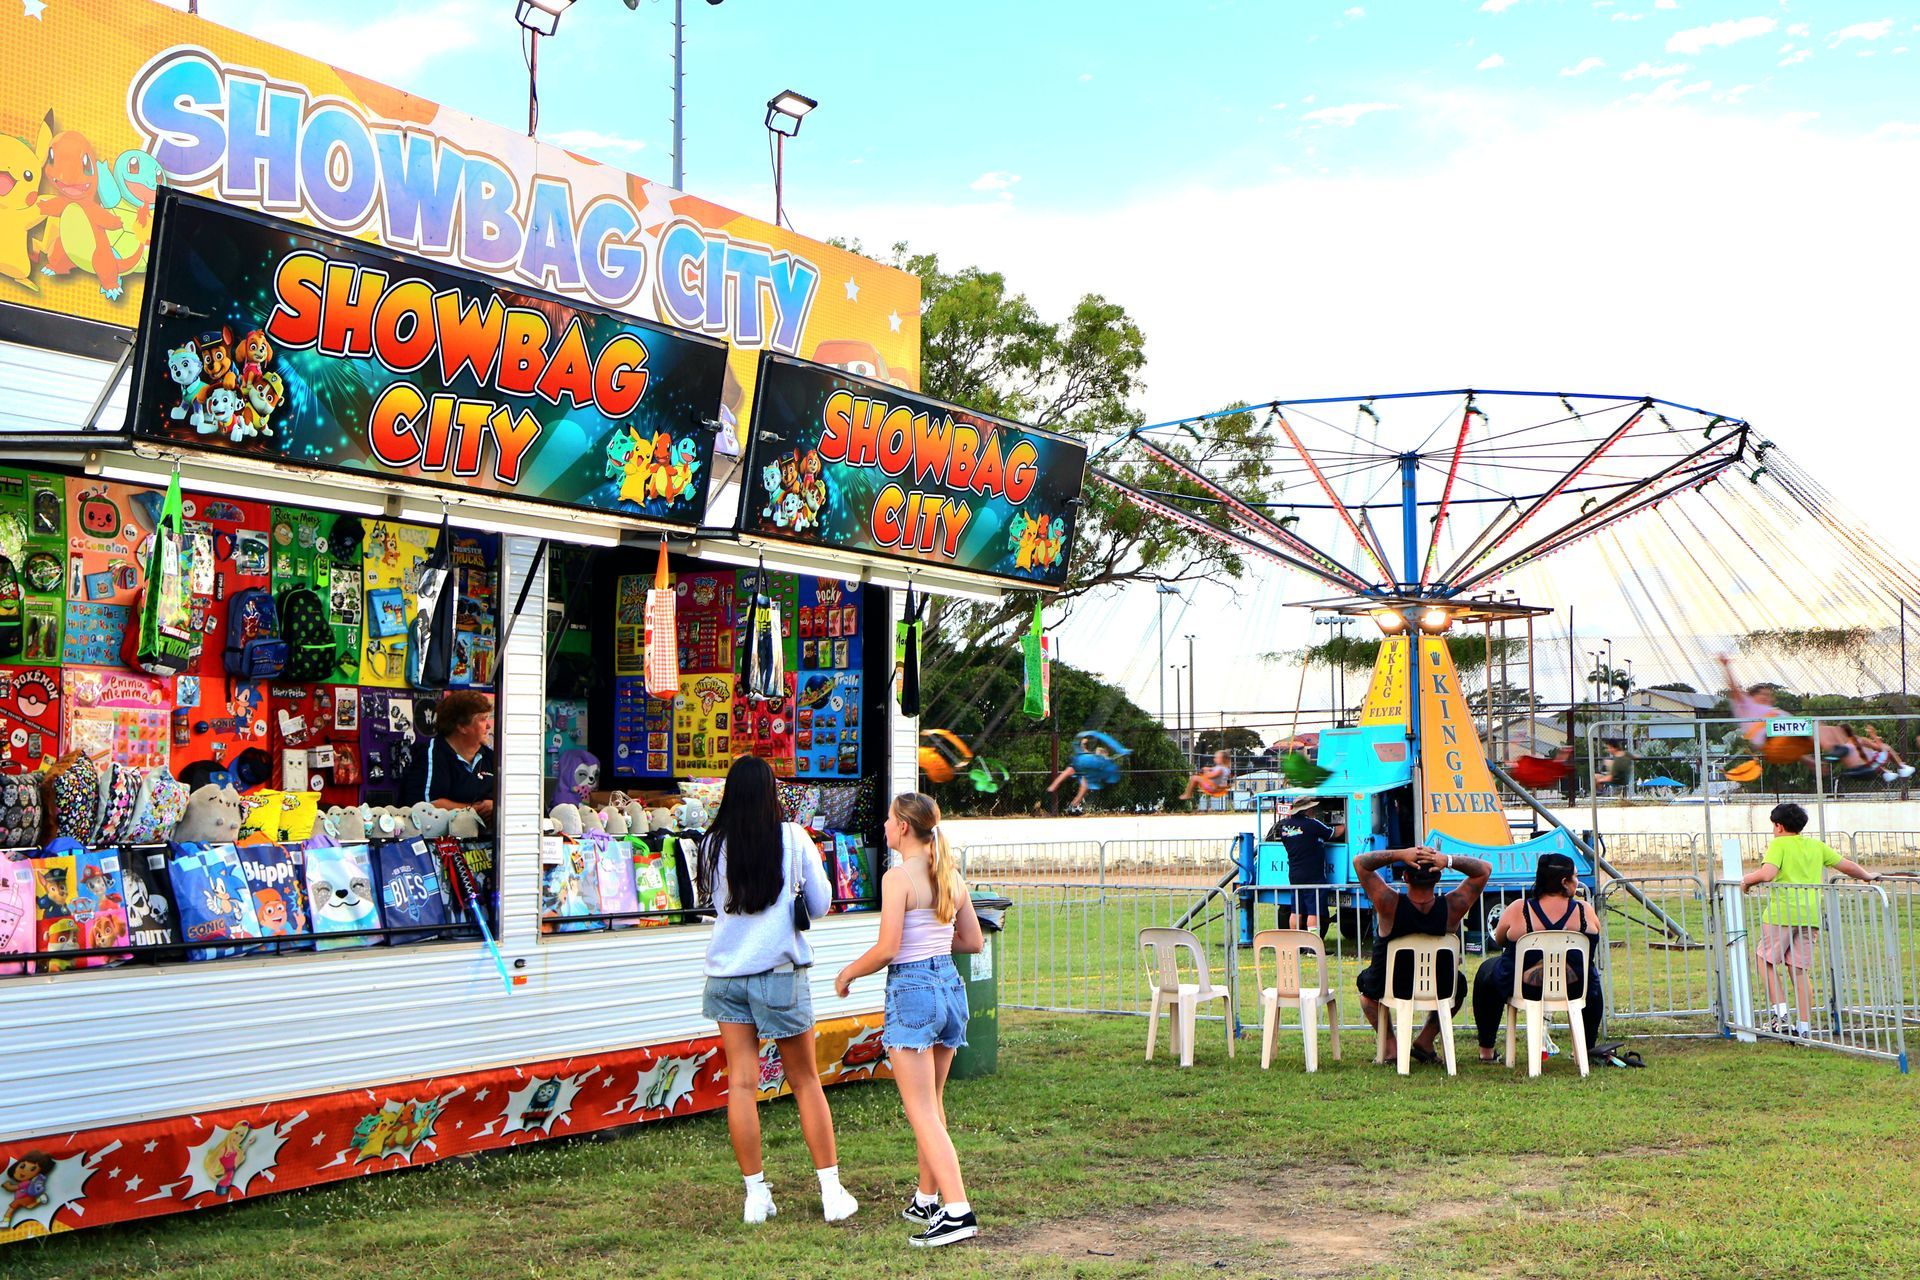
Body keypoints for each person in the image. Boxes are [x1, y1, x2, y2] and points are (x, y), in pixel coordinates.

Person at [698, 755, 857, 1225]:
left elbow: (712, 902)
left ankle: (755, 1195)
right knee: (805, 1080)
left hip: (726, 977)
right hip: (780, 976)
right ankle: (830, 1191)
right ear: (772, 793)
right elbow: (822, 905)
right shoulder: (793, 837)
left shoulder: (711, 844)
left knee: (741, 1085)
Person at [835, 792, 984, 1248]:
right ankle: (927, 1197)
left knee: (920, 1111)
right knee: (933, 1106)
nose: (882, 825)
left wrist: (847, 974)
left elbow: (888, 949)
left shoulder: (897, 878)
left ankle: (958, 1210)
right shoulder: (950, 875)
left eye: (887, 819)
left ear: (902, 827)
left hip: (913, 992)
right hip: (949, 989)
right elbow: (973, 942)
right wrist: (934, 945)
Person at [1740, 802, 1882, 1039]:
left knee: (1764, 959)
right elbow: (1845, 865)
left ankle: (1781, 1015)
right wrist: (1867, 876)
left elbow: (1768, 874)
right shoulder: (1816, 846)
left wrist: (1746, 881)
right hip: (1810, 916)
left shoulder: (1779, 844)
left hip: (1782, 914)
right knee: (1799, 970)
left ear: (1778, 826)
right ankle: (1805, 1028)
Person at [1353, 844, 1492, 1064]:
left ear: (1405, 876)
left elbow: (1360, 862)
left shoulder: (1389, 904)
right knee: (1459, 987)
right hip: (1439, 988)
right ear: (1437, 878)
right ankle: (1425, 1040)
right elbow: (1484, 868)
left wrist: (1400, 854)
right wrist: (1447, 860)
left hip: (1392, 986)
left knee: (1367, 993)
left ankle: (1391, 1047)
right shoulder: (1454, 906)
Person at [1471, 853, 1603, 1064]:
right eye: (1575, 877)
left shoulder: (1518, 909)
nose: (1577, 882)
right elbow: (1596, 936)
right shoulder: (1584, 911)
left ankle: (1486, 1049)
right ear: (1564, 882)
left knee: (1486, 973)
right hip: (1575, 987)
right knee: (1592, 977)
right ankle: (1586, 1048)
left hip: (1524, 987)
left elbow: (1499, 939)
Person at [399, 690, 496, 823]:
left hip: (484, 841)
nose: (489, 725)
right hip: (438, 840)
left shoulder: (492, 758)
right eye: (482, 719)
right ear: (462, 726)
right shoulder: (431, 754)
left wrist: (495, 806)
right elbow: (427, 806)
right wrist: (473, 810)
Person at [1273, 798, 1345, 933]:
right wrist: (1347, 822)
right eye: (1312, 807)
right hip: (1313, 873)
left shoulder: (1284, 827)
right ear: (1307, 809)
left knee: (1296, 910)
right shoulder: (1312, 824)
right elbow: (1334, 833)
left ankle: (1295, 943)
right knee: (1314, 910)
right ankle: (1312, 947)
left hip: (1294, 873)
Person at [1044, 735, 1119, 815]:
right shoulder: (1082, 755)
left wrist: (1104, 758)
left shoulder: (1094, 752)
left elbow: (1102, 755)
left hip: (1086, 768)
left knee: (1083, 782)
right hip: (1081, 764)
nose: (1082, 746)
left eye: (1084, 744)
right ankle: (1055, 787)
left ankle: (1074, 804)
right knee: (1070, 772)